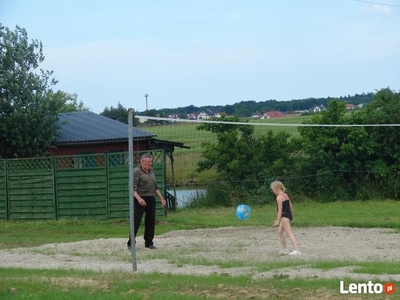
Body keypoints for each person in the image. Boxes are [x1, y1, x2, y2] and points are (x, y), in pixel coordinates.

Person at [127, 153, 166, 250]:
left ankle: (149, 242)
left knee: (151, 220)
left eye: (151, 161)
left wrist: (161, 198)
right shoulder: (136, 171)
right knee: (136, 220)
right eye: (148, 161)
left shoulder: (151, 171)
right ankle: (131, 242)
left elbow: (155, 186)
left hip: (150, 197)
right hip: (139, 198)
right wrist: (139, 199)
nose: (150, 163)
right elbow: (132, 188)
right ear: (142, 162)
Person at [270, 180, 301, 255]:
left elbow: (280, 210)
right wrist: (291, 216)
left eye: (273, 190)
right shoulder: (285, 195)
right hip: (287, 215)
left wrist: (277, 220)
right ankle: (285, 249)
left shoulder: (279, 197)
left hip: (284, 216)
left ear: (276, 189)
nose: (273, 192)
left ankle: (297, 250)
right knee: (280, 232)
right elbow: (290, 206)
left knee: (289, 233)